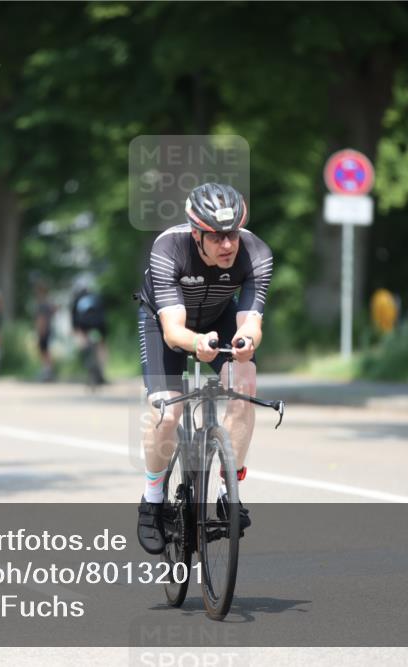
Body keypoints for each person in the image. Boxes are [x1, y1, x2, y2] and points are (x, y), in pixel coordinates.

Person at [135, 182, 273, 554]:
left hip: (219, 315)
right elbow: (173, 330)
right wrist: (197, 343)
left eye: (232, 234)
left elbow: (250, 323)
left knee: (245, 382)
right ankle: (152, 500)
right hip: (166, 324)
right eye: (216, 237)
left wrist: (246, 343)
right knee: (167, 410)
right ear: (196, 233)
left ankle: (231, 491)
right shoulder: (168, 248)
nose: (227, 245)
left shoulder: (256, 252)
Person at [70, 277, 108, 385]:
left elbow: (74, 318)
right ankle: (102, 369)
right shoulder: (96, 296)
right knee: (102, 345)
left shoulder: (76, 298)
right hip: (99, 324)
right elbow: (103, 313)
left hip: (83, 325)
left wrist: (75, 330)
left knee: (82, 340)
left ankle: (86, 356)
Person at [34, 282, 55, 382]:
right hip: (48, 330)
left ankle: (46, 371)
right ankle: (48, 370)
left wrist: (40, 331)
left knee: (44, 351)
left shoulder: (42, 304)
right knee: (46, 351)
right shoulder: (48, 303)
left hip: (43, 331)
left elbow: (41, 320)